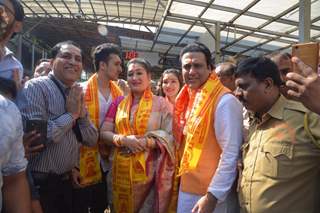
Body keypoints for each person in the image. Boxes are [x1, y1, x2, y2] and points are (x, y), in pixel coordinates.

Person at [20, 40, 98, 213]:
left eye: (78, 59)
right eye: (66, 56)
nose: (73, 62)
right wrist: (70, 116)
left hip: (69, 182)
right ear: (52, 62)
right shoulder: (35, 87)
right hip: (42, 186)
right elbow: (36, 140)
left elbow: (92, 139)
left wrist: (82, 116)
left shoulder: (77, 93)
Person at [235, 56, 320, 213]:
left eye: (243, 87)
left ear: (267, 84)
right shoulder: (254, 121)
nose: (237, 94)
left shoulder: (307, 117)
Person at [100, 58, 175, 213]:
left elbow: (171, 137)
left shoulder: (162, 104)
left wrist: (146, 143)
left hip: (149, 176)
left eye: (139, 73)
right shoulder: (119, 102)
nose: (134, 78)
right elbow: (104, 133)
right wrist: (123, 140)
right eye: (130, 74)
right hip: (119, 173)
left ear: (149, 76)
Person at [175, 43, 243, 213]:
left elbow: (230, 153)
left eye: (197, 65)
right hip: (188, 186)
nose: (191, 71)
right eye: (186, 66)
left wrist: (213, 195)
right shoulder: (190, 98)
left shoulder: (225, 101)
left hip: (210, 196)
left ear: (210, 68)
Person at [71, 43, 123, 213]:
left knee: (101, 205)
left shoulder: (120, 95)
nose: (120, 69)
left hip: (109, 162)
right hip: (82, 162)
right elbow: (71, 130)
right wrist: (72, 165)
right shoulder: (81, 91)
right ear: (102, 65)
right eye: (116, 64)